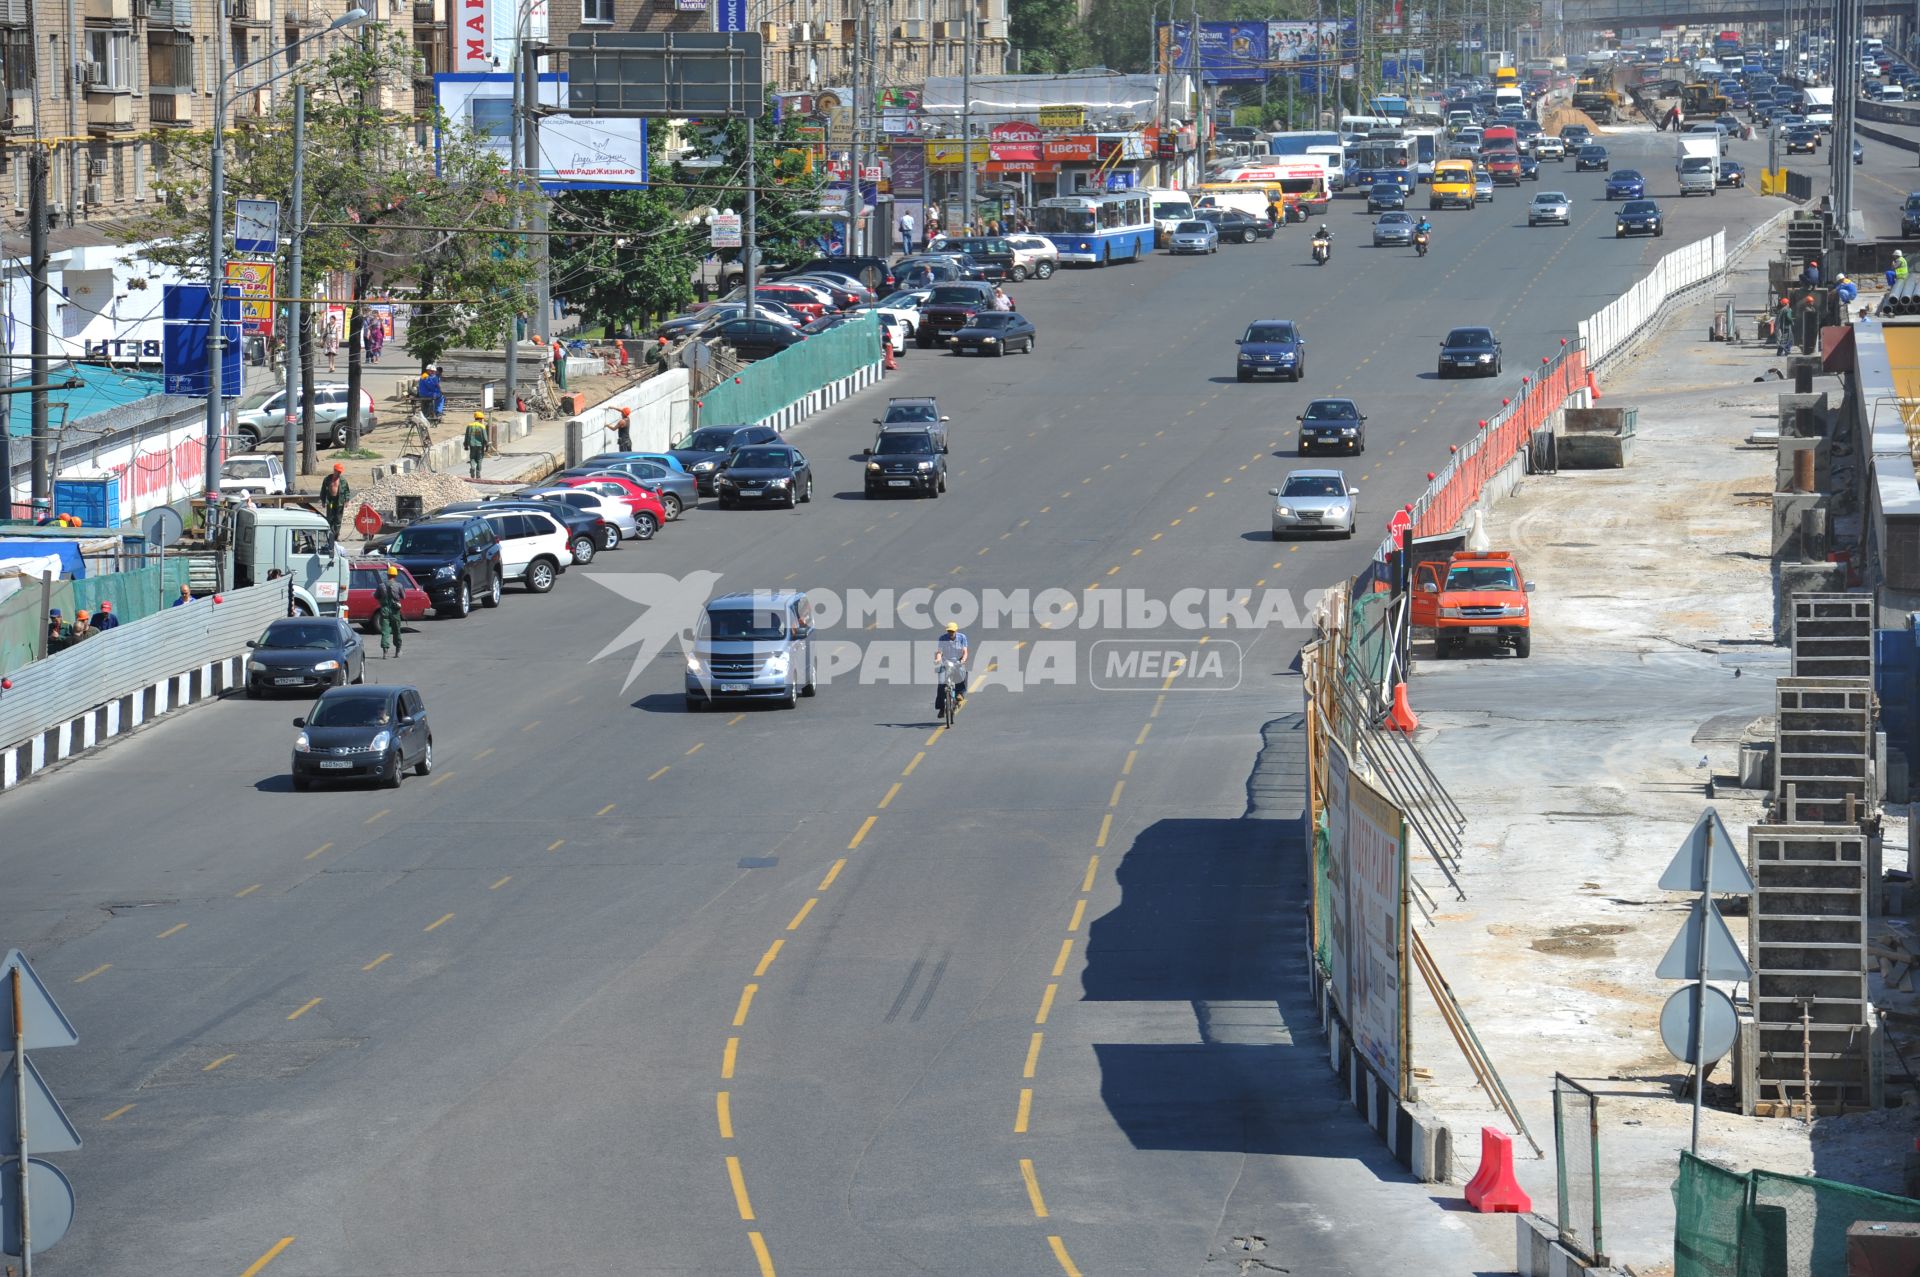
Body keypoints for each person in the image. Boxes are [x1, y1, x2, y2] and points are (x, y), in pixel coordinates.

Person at [935, 621, 969, 714]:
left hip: (958, 661)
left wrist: (963, 660)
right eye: (949, 631)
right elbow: (939, 651)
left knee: (963, 673)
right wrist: (938, 659)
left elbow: (965, 651)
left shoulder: (962, 637)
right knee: (941, 684)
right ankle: (942, 708)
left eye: (952, 631)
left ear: (956, 630)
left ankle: (960, 693)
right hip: (946, 662)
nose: (951, 633)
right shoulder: (942, 638)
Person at [374, 563, 406, 658]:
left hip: (384, 611)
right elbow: (403, 597)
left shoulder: (381, 586)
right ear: (395, 575)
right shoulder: (399, 585)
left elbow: (376, 596)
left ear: (387, 575)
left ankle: (385, 652)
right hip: (395, 611)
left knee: (385, 631)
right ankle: (398, 651)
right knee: (397, 631)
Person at [320, 463, 350, 543]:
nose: (340, 473)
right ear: (334, 470)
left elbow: (347, 491)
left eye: (340, 471)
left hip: (339, 501)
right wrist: (323, 501)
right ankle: (330, 535)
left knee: (338, 519)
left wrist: (347, 501)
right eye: (338, 471)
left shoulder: (343, 481)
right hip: (330, 501)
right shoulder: (327, 479)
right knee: (330, 518)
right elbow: (323, 490)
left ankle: (336, 536)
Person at [465, 412, 490, 479]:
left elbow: (466, 436)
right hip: (480, 446)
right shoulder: (482, 426)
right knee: (479, 459)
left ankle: (472, 468)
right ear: (481, 419)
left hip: (472, 445)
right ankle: (478, 475)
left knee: (472, 458)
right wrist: (487, 446)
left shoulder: (469, 426)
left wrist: (466, 445)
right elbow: (485, 438)